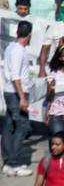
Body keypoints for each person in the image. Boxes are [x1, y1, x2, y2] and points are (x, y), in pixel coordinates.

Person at [2, 20, 33, 177]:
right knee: (22, 126)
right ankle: (13, 163)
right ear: (29, 35)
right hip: (16, 93)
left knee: (8, 126)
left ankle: (8, 161)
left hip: (10, 92)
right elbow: (16, 76)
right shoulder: (18, 50)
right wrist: (22, 97)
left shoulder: (10, 48)